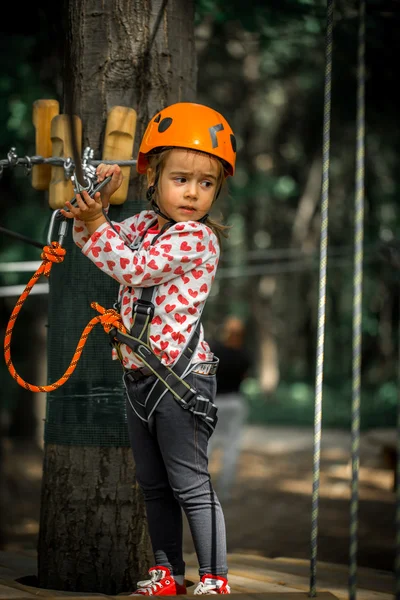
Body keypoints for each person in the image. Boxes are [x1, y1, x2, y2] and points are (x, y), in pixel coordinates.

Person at [61, 102, 237, 596]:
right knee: (154, 485)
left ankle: (214, 577)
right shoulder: (141, 226)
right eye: (181, 178)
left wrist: (98, 221)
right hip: (140, 377)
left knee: (190, 484)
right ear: (153, 178)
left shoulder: (196, 238)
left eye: (206, 184)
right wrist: (94, 210)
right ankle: (165, 573)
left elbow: (133, 270)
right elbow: (100, 246)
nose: (193, 192)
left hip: (181, 381)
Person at [208, 317, 250, 502]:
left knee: (208, 444)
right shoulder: (245, 355)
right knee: (231, 447)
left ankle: (201, 488)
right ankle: (224, 491)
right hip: (235, 401)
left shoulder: (216, 351)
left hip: (215, 402)